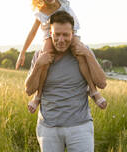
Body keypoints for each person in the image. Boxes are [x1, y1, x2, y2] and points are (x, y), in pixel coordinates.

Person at [16, 0, 107, 113]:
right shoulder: (42, 11)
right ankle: (38, 96)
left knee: (80, 51)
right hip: (49, 35)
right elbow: (32, 32)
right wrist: (22, 52)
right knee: (45, 58)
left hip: (70, 30)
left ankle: (93, 90)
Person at [25, 11, 107, 151]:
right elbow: (29, 90)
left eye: (66, 35)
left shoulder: (82, 51)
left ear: (73, 34)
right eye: (57, 34)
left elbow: (102, 83)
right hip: (48, 128)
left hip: (80, 127)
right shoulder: (41, 55)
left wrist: (87, 54)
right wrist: (38, 65)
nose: (61, 40)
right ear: (50, 34)